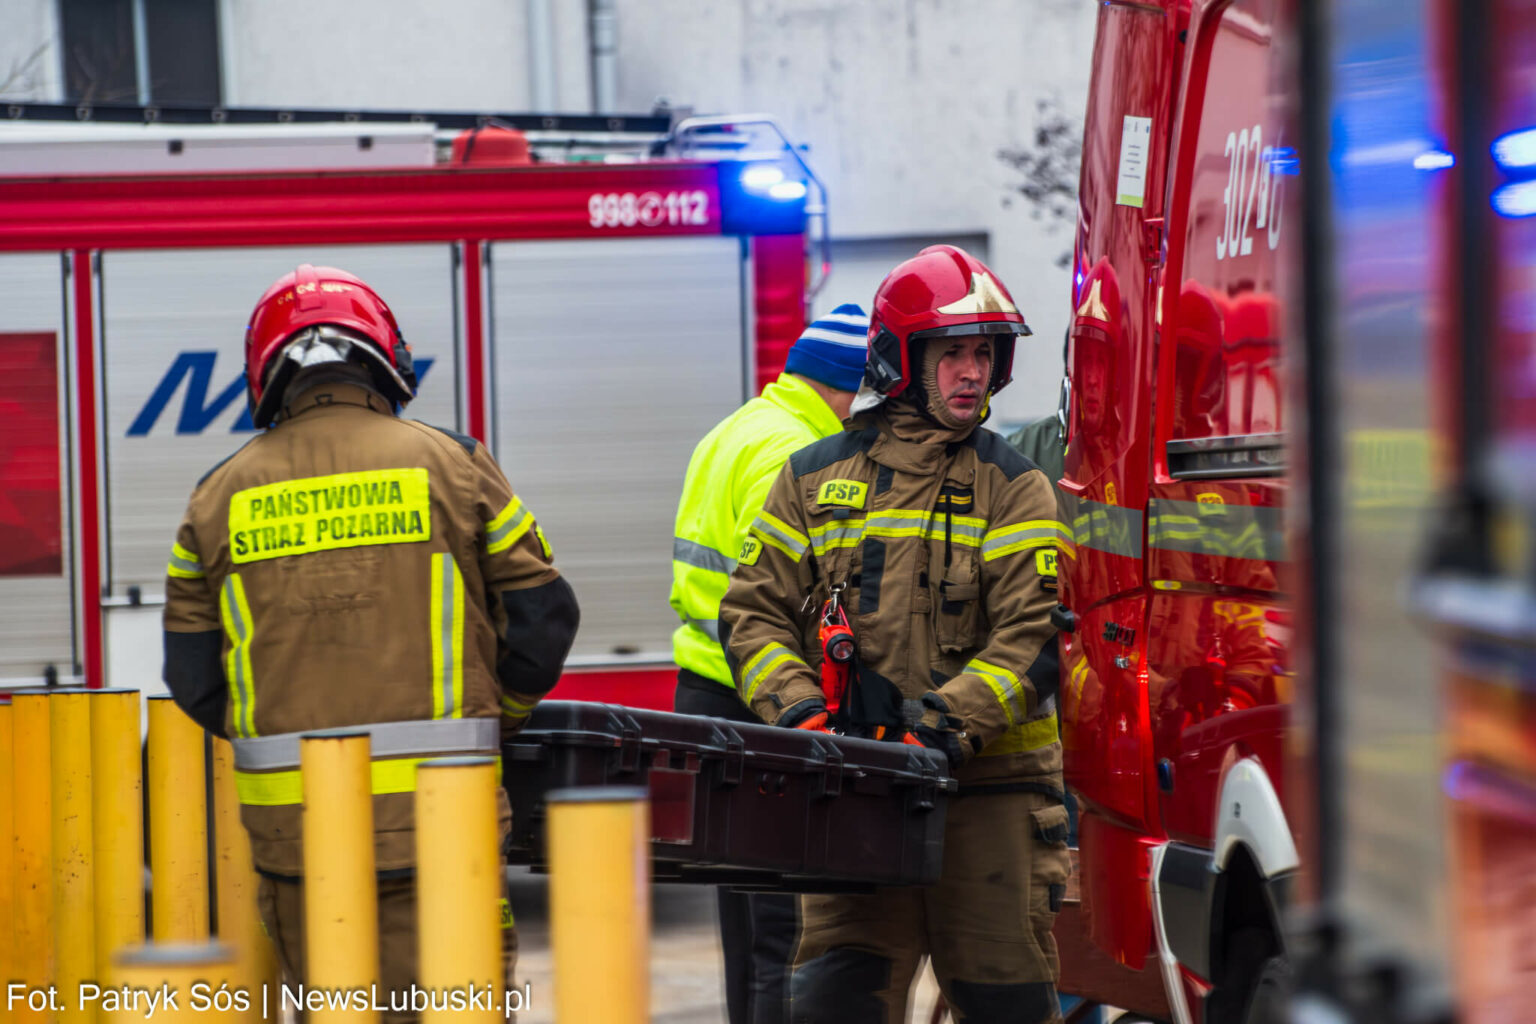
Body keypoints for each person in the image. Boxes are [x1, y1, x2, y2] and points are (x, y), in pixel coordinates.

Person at [161, 264, 579, 1019]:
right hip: (446, 817)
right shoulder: (454, 463)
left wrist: (280, 741)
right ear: (385, 357)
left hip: (298, 840)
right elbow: (543, 619)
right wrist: (499, 716)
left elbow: (192, 674)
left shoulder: (216, 495)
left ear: (267, 371)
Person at [720, 245, 1071, 1024]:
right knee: (836, 1002)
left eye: (984, 353)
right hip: (854, 798)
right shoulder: (810, 477)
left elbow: (1035, 636)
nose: (972, 373)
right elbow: (752, 615)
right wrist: (804, 720)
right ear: (898, 358)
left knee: (1004, 1002)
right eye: (951, 354)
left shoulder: (1015, 487)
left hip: (989, 804)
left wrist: (940, 728)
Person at [670, 303, 871, 1024]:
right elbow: (782, 602)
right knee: (782, 933)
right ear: (847, 390)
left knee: (748, 928)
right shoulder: (795, 455)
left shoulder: (736, 430)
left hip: (711, 700)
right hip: (758, 709)